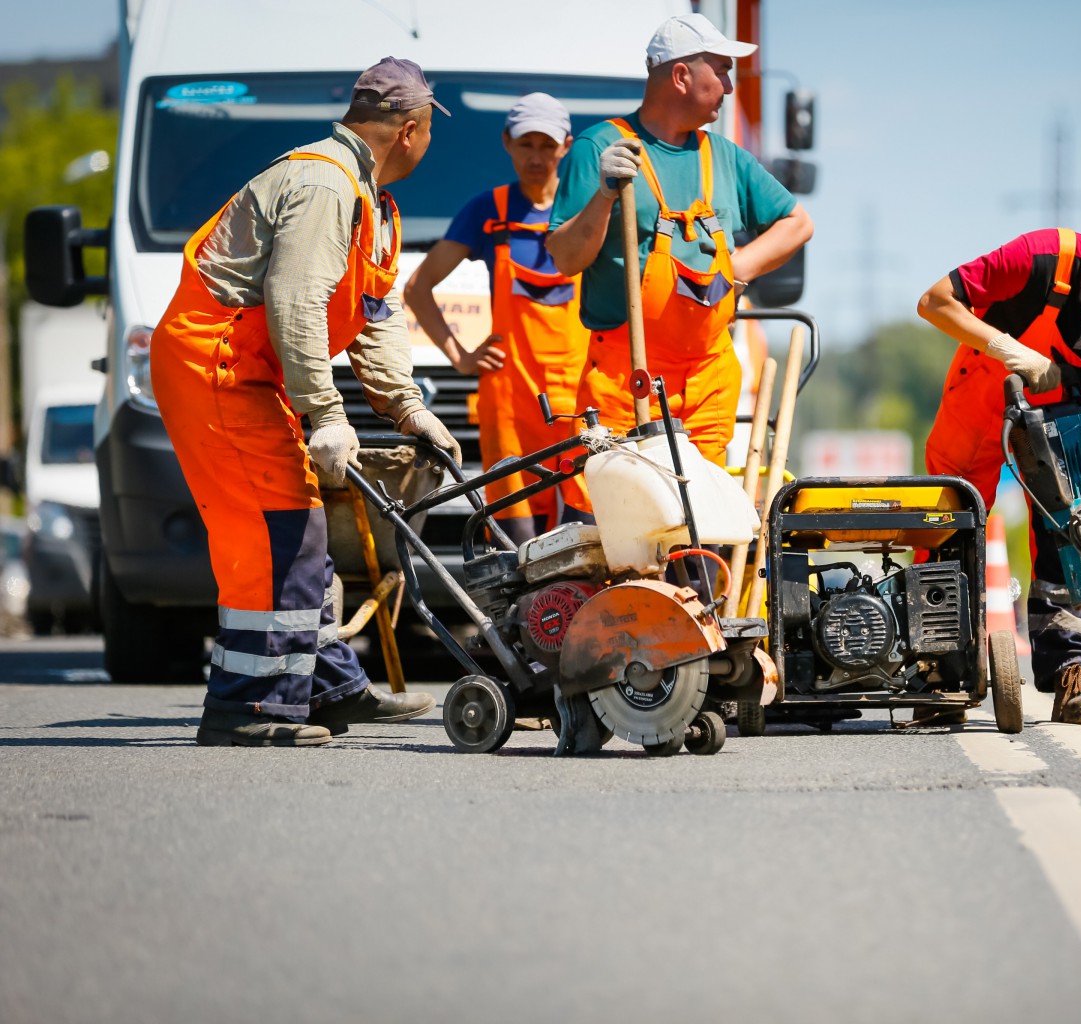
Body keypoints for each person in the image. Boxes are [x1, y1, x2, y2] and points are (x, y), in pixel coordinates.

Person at [150, 57, 459, 747]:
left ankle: (327, 686)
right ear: (409, 130)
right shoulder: (326, 185)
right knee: (275, 529)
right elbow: (296, 302)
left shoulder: (370, 200)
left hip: (247, 370)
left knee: (302, 522)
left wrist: (408, 408)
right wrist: (327, 412)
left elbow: (373, 316)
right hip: (217, 364)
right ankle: (248, 705)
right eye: (430, 131)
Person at [918, 228, 1081, 726]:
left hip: (1066, 417)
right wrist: (1008, 350)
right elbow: (934, 302)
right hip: (982, 394)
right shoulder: (1044, 258)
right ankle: (938, 672)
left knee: (1074, 540)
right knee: (948, 529)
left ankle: (1070, 677)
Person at [545, 12, 813, 465]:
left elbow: (797, 223)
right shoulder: (600, 147)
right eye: (722, 71)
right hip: (628, 376)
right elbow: (566, 259)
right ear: (682, 76)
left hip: (709, 375)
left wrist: (735, 271)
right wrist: (605, 196)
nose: (730, 87)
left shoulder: (724, 156)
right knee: (616, 502)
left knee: (702, 505)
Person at [404, 93, 590, 545]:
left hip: (583, 396)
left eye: (547, 146)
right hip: (510, 401)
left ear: (566, 146)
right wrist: (461, 357)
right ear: (507, 142)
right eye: (526, 144)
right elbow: (417, 288)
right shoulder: (488, 212)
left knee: (588, 534)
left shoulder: (589, 210)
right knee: (516, 542)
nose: (536, 157)